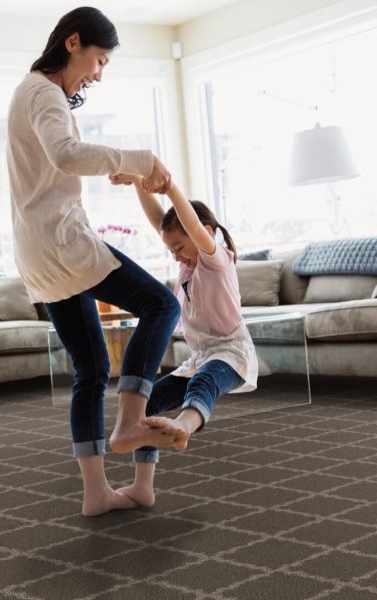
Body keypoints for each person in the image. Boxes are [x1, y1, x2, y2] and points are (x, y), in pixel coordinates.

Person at [6, 6, 181, 516]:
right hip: (62, 245)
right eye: (98, 60)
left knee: (90, 368)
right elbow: (65, 154)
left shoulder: (31, 92)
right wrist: (139, 160)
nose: (98, 74)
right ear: (73, 41)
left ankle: (96, 493)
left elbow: (59, 159)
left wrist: (114, 170)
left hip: (37, 251)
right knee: (162, 305)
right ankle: (131, 419)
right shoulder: (44, 92)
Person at [109, 173, 259, 508]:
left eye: (179, 247)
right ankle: (142, 487)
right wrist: (137, 183)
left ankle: (183, 426)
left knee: (204, 382)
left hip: (232, 353)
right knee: (143, 406)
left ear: (203, 234)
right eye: (171, 250)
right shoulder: (187, 267)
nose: (176, 256)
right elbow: (159, 221)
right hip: (200, 357)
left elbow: (187, 223)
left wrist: (172, 189)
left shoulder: (214, 259)